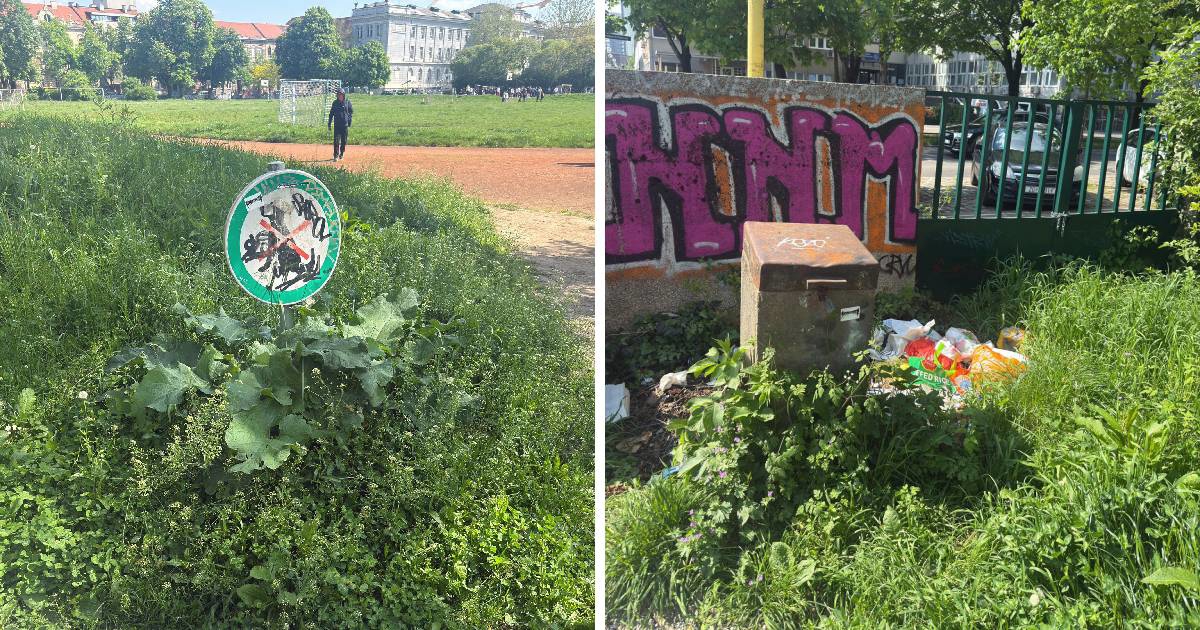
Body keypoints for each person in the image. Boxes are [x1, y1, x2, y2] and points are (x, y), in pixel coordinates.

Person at [327, 88, 353, 162]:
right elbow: (331, 113)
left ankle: (341, 153)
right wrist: (329, 123)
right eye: (338, 95)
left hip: (344, 125)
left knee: (344, 141)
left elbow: (351, 112)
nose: (340, 96)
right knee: (336, 141)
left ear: (344, 95)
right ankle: (335, 155)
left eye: (341, 94)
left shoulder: (347, 102)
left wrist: (349, 121)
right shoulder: (335, 103)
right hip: (337, 125)